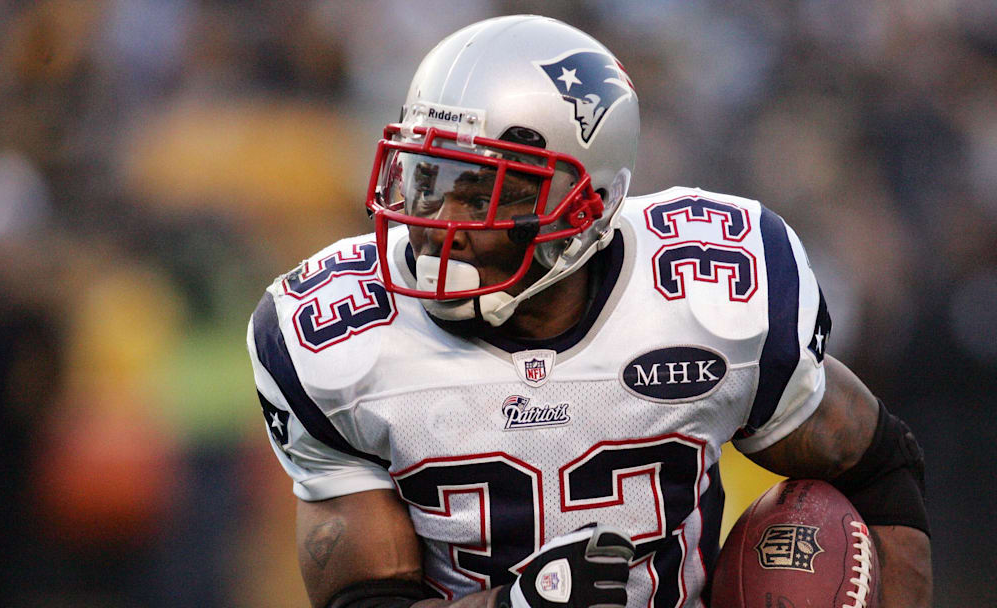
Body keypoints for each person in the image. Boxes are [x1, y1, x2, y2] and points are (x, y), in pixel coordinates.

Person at [247, 15, 931, 608]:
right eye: (429, 180)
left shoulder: (712, 298)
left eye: (484, 192)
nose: (439, 225)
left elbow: (881, 469)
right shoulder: (332, 337)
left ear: (587, 204)